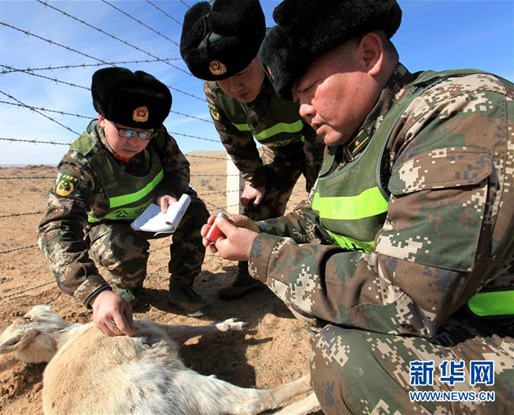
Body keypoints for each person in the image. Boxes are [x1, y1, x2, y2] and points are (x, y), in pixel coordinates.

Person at [201, 0, 514, 412]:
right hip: (455, 328)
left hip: (496, 339)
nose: (303, 110)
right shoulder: (351, 137)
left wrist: (260, 254)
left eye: (309, 89)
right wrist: (258, 230)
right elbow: (322, 221)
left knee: (352, 363)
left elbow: (406, 298)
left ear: (369, 55)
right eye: (296, 98)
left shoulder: (459, 114)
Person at [38, 67, 211, 336]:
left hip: (155, 214)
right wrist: (95, 293)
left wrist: (169, 190)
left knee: (196, 211)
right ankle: (128, 288)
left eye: (145, 134)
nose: (136, 142)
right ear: (102, 119)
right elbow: (56, 229)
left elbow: (179, 168)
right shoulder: (81, 163)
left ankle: (182, 286)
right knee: (121, 250)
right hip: (113, 227)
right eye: (126, 131)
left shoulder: (157, 136)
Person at [179, 0, 325, 300]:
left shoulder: (289, 55)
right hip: (281, 152)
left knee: (324, 206)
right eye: (222, 78)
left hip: (319, 143)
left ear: (260, 53)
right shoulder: (216, 91)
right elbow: (235, 140)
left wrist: (319, 181)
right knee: (254, 208)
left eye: (242, 72)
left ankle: (321, 275)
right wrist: (255, 178)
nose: (234, 87)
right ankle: (251, 275)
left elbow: (319, 124)